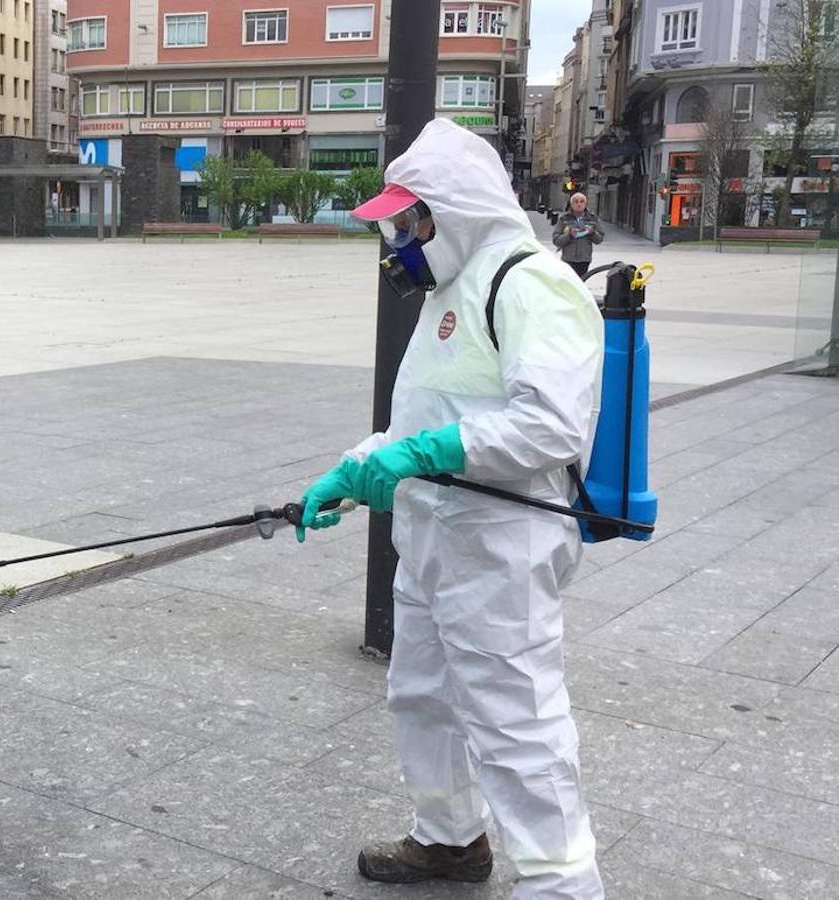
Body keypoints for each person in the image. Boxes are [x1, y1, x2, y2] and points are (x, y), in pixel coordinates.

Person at [296, 118, 605, 899]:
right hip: (434, 538)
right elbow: (419, 424)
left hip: (504, 544)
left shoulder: (531, 283)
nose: (397, 238)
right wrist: (354, 467)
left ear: (452, 211)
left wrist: (425, 456)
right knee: (422, 695)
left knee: (516, 723)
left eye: (408, 220)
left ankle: (560, 888)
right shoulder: (449, 288)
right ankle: (449, 840)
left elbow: (550, 426)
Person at [553, 192, 603, 279]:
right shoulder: (564, 219)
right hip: (568, 259)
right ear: (571, 204)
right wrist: (569, 235)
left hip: (584, 259)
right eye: (576, 202)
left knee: (581, 283)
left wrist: (592, 233)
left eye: (582, 201)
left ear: (586, 204)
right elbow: (556, 240)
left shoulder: (592, 218)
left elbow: (599, 239)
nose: (579, 204)